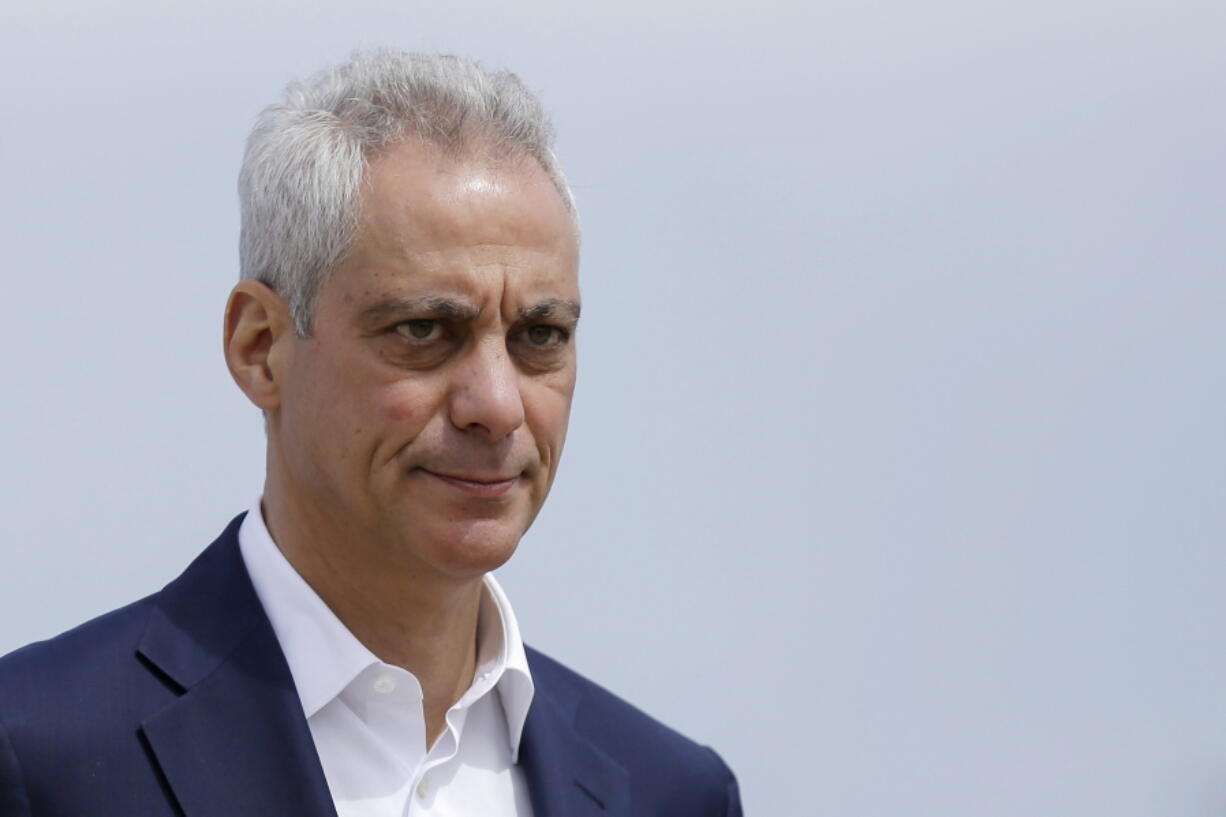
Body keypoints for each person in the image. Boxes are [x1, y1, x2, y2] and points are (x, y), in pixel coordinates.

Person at [0, 50, 741, 817]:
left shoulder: (672, 792)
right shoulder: (38, 755)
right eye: (424, 329)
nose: (496, 404)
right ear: (260, 347)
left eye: (541, 335)